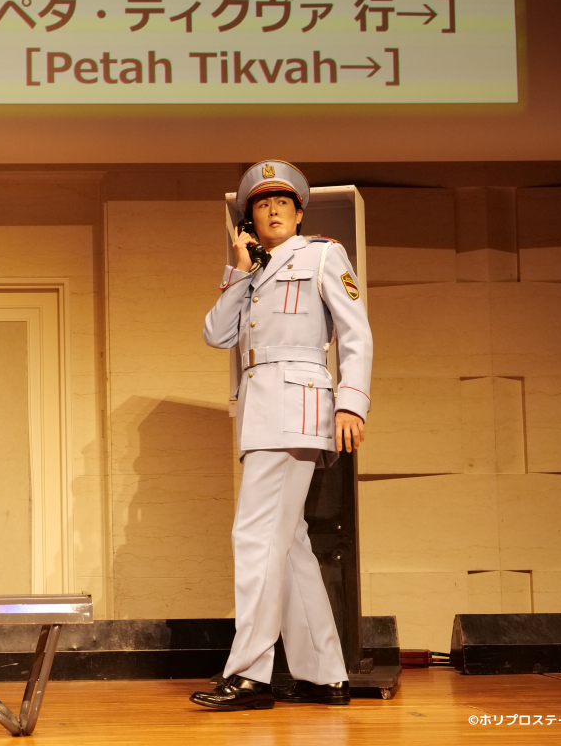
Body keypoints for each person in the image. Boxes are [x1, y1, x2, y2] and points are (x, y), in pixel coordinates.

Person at [190, 160, 372, 711]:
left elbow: (356, 333)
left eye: (283, 203)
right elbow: (215, 335)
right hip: (262, 410)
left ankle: (249, 675)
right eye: (262, 205)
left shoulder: (322, 255)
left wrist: (351, 403)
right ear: (249, 220)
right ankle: (324, 675)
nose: (273, 211)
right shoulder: (252, 270)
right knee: (288, 544)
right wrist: (239, 269)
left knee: (255, 537)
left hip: (297, 405)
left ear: (299, 213)